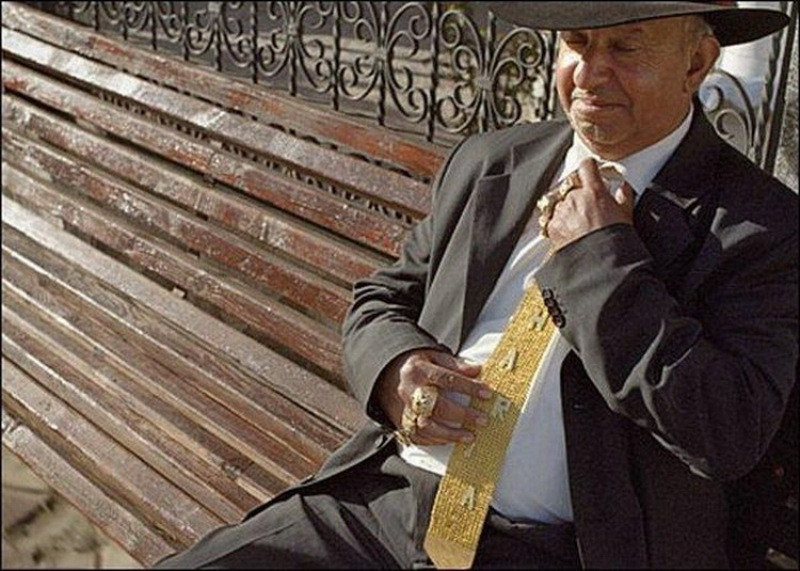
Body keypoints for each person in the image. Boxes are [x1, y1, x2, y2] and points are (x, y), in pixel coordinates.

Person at [155, 2, 797, 568]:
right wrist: (396, 370)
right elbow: (381, 299)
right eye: (576, 43)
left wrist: (599, 259)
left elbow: (727, 431)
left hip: (561, 549)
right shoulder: (493, 161)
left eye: (625, 47)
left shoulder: (762, 228)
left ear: (697, 63)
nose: (589, 73)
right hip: (389, 506)